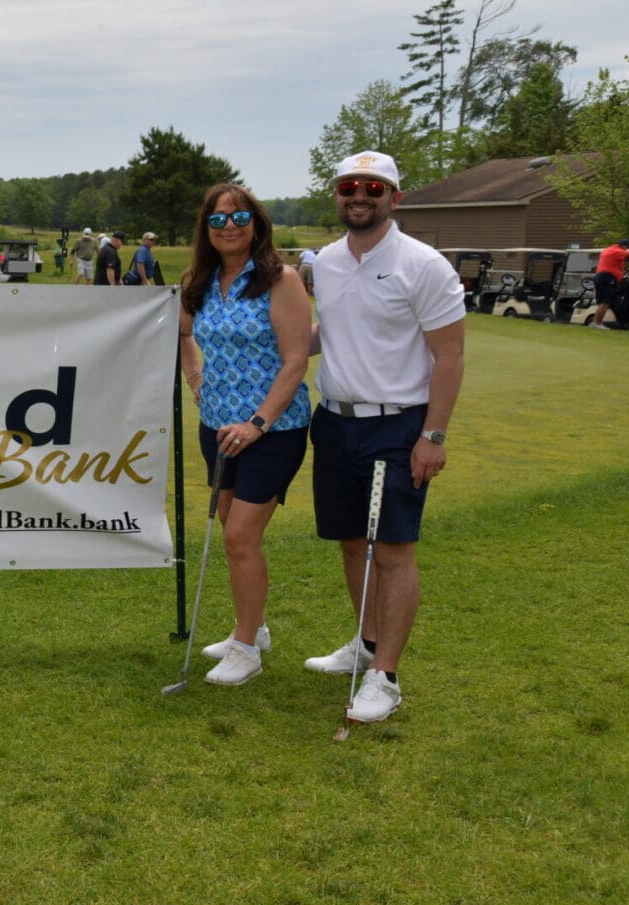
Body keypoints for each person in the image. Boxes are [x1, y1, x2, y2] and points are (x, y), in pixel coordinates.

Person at [306, 150, 465, 724]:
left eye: (373, 187)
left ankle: (385, 676)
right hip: (335, 420)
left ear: (394, 197)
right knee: (353, 542)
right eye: (350, 185)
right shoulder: (324, 261)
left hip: (398, 423)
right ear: (338, 194)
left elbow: (449, 355)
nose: (360, 195)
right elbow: (333, 330)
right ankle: (367, 642)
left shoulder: (424, 265)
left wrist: (434, 435)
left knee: (393, 552)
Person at [178, 185, 312, 685]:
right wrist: (195, 378)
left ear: (256, 224)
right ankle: (250, 628)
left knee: (238, 537)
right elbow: (184, 334)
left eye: (238, 218)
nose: (228, 228)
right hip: (215, 428)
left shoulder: (282, 280)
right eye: (217, 221)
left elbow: (296, 362)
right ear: (206, 231)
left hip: (273, 430)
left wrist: (257, 424)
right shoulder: (201, 279)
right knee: (239, 539)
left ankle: (246, 647)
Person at [592, 239, 629, 329]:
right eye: (626, 248)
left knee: (605, 301)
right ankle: (597, 323)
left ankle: (596, 322)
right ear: (624, 246)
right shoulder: (617, 251)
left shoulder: (608, 250)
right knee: (605, 302)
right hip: (606, 277)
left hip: (601, 276)